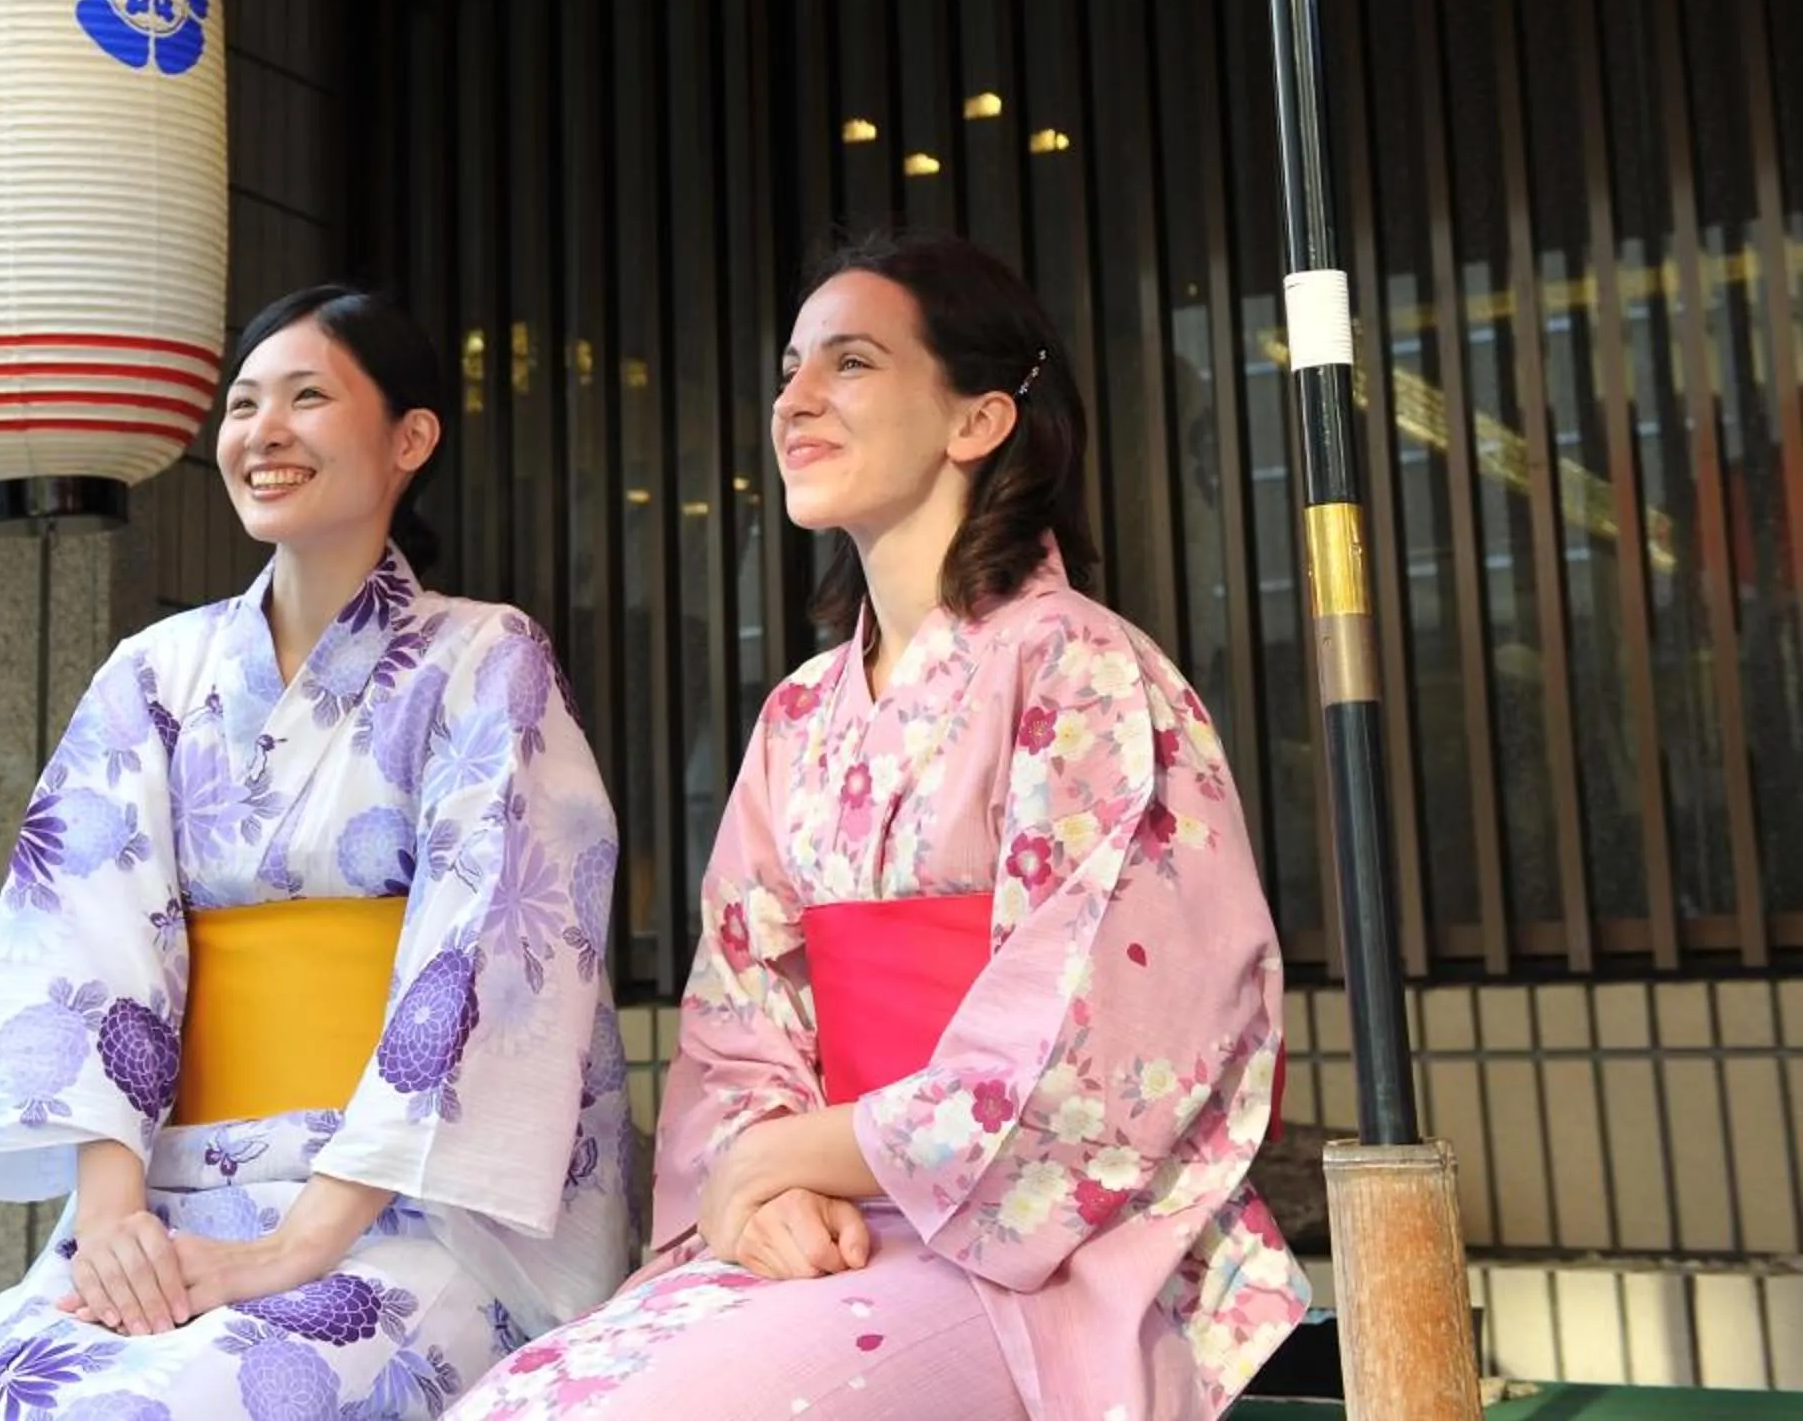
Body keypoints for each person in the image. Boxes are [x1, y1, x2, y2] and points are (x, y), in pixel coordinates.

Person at [449, 232, 1305, 1421]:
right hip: (834, 1224)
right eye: (791, 368)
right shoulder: (801, 713)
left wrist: (791, 1155)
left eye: (850, 363)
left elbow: (1101, 1044)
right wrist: (759, 1188)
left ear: (979, 419)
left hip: (1038, 1254)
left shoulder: (1085, 669)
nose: (794, 400)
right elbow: (739, 1023)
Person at [0, 285, 632, 1421]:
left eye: (308, 397)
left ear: (411, 438)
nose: (263, 430)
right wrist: (114, 1229)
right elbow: (88, 938)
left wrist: (289, 1251)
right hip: (176, 1198)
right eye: (244, 402)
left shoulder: (481, 659)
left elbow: (483, 966)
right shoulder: (155, 674)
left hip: (402, 1210)